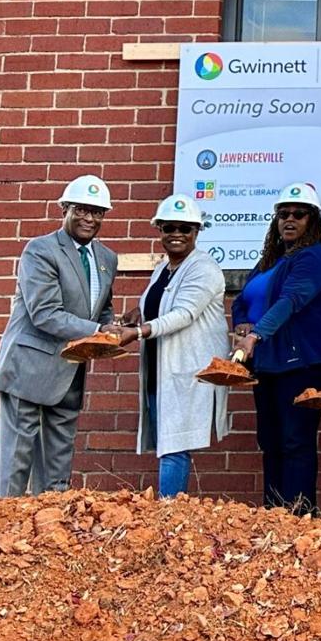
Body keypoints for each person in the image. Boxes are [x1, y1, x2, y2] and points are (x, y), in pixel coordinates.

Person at [0, 174, 119, 496]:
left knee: (59, 460)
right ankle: (4, 527)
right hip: (29, 365)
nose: (89, 218)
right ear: (65, 209)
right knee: (15, 460)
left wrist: (113, 325)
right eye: (81, 209)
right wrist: (98, 331)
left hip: (71, 368)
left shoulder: (106, 258)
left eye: (97, 211)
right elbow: (44, 313)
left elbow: (101, 307)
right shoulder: (41, 250)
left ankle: (50, 527)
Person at [109, 196, 229, 497]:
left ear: (197, 232)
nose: (176, 234)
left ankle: (169, 516)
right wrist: (138, 314)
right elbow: (162, 304)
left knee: (174, 446)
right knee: (167, 443)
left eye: (185, 228)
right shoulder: (164, 268)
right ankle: (169, 514)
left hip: (187, 371)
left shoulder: (204, 268)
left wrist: (138, 332)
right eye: (169, 227)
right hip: (160, 370)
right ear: (159, 230)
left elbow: (184, 314)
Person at [233, 182, 321, 515]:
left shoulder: (316, 256)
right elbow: (243, 299)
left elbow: (291, 300)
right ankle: (273, 515)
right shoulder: (272, 260)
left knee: (296, 441)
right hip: (268, 363)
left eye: (299, 214)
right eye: (283, 214)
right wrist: (242, 324)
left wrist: (255, 336)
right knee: (271, 441)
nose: (289, 220)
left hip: (302, 362)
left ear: (314, 220)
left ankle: (299, 517)